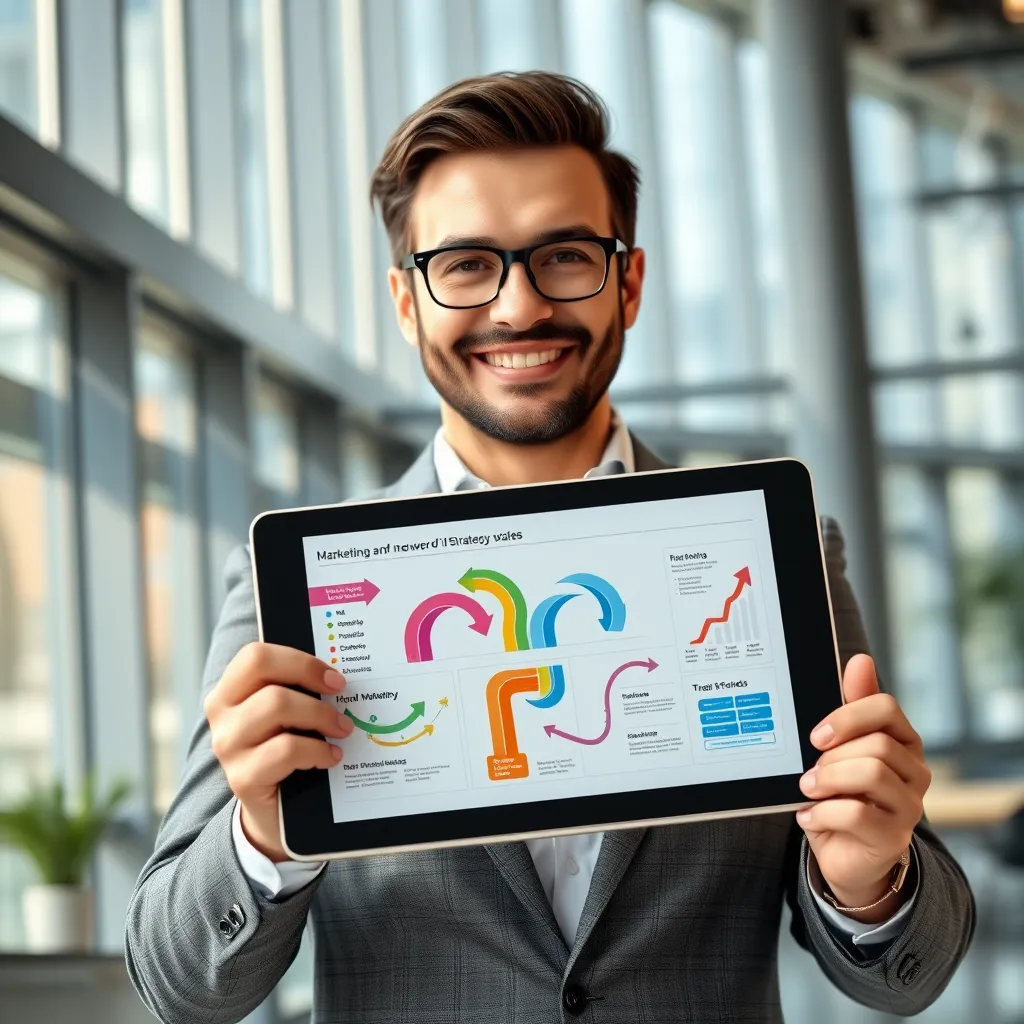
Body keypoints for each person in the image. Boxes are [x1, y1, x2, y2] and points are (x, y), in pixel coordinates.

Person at [125, 72, 974, 1023]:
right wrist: (258, 841)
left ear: (631, 283)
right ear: (407, 303)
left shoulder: (773, 550)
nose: (519, 307)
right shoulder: (298, 586)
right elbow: (176, 985)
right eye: (465, 264)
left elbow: (910, 971)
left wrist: (872, 881)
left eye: (565, 255)